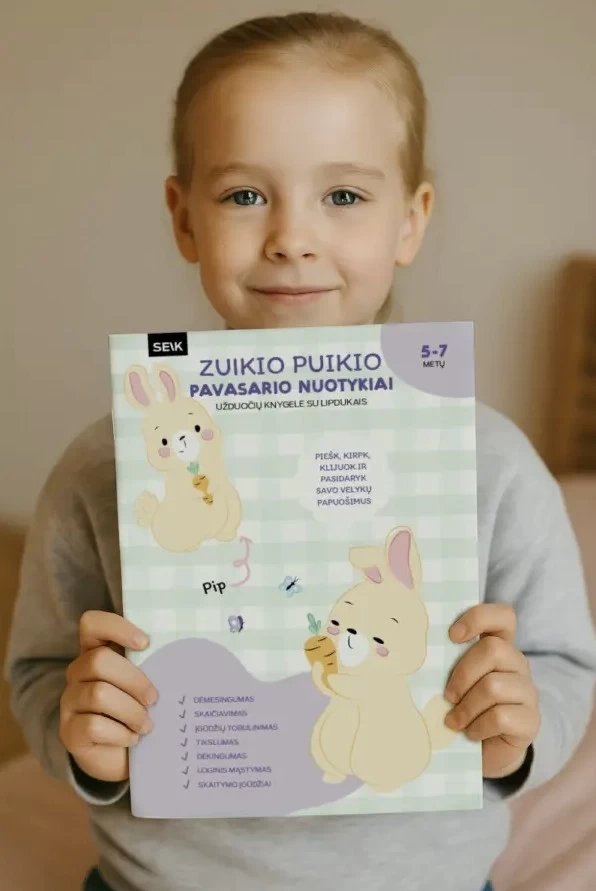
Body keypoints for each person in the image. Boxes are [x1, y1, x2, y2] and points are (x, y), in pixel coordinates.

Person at [5, 11, 596, 891]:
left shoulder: (491, 463)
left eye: (344, 196)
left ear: (411, 220)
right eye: (244, 195)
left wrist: (519, 724)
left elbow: (563, 664)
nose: (291, 235)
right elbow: (39, 669)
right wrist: (83, 733)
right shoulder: (108, 463)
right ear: (183, 219)